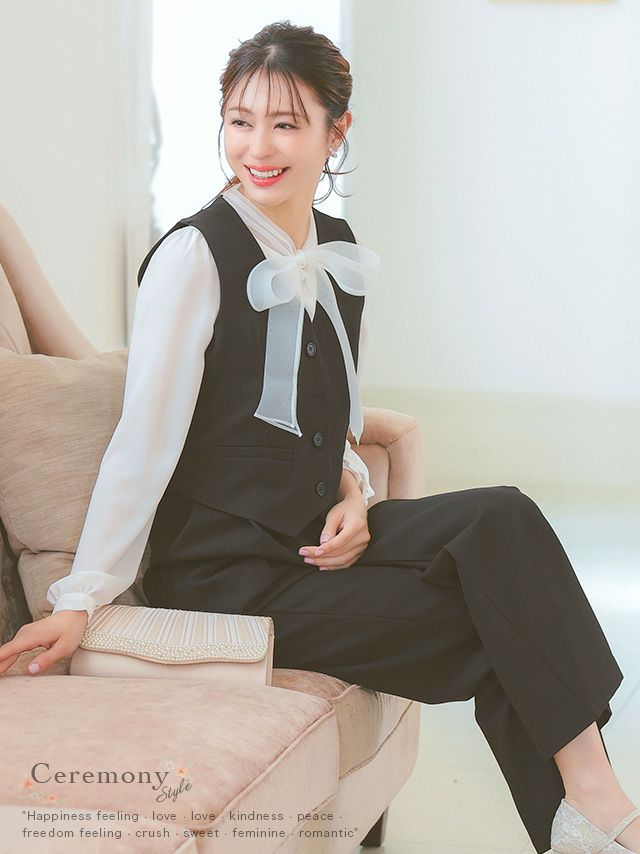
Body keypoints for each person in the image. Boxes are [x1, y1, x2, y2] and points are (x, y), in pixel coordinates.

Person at [0, 20, 637, 854]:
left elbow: (330, 415)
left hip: (309, 542)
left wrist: (354, 493)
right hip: (225, 575)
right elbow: (143, 441)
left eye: (286, 124)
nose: (257, 147)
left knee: (504, 518)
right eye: (240, 121)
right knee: (497, 619)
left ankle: (591, 810)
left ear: (337, 132)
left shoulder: (337, 249)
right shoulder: (195, 255)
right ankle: (600, 814)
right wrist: (82, 599)